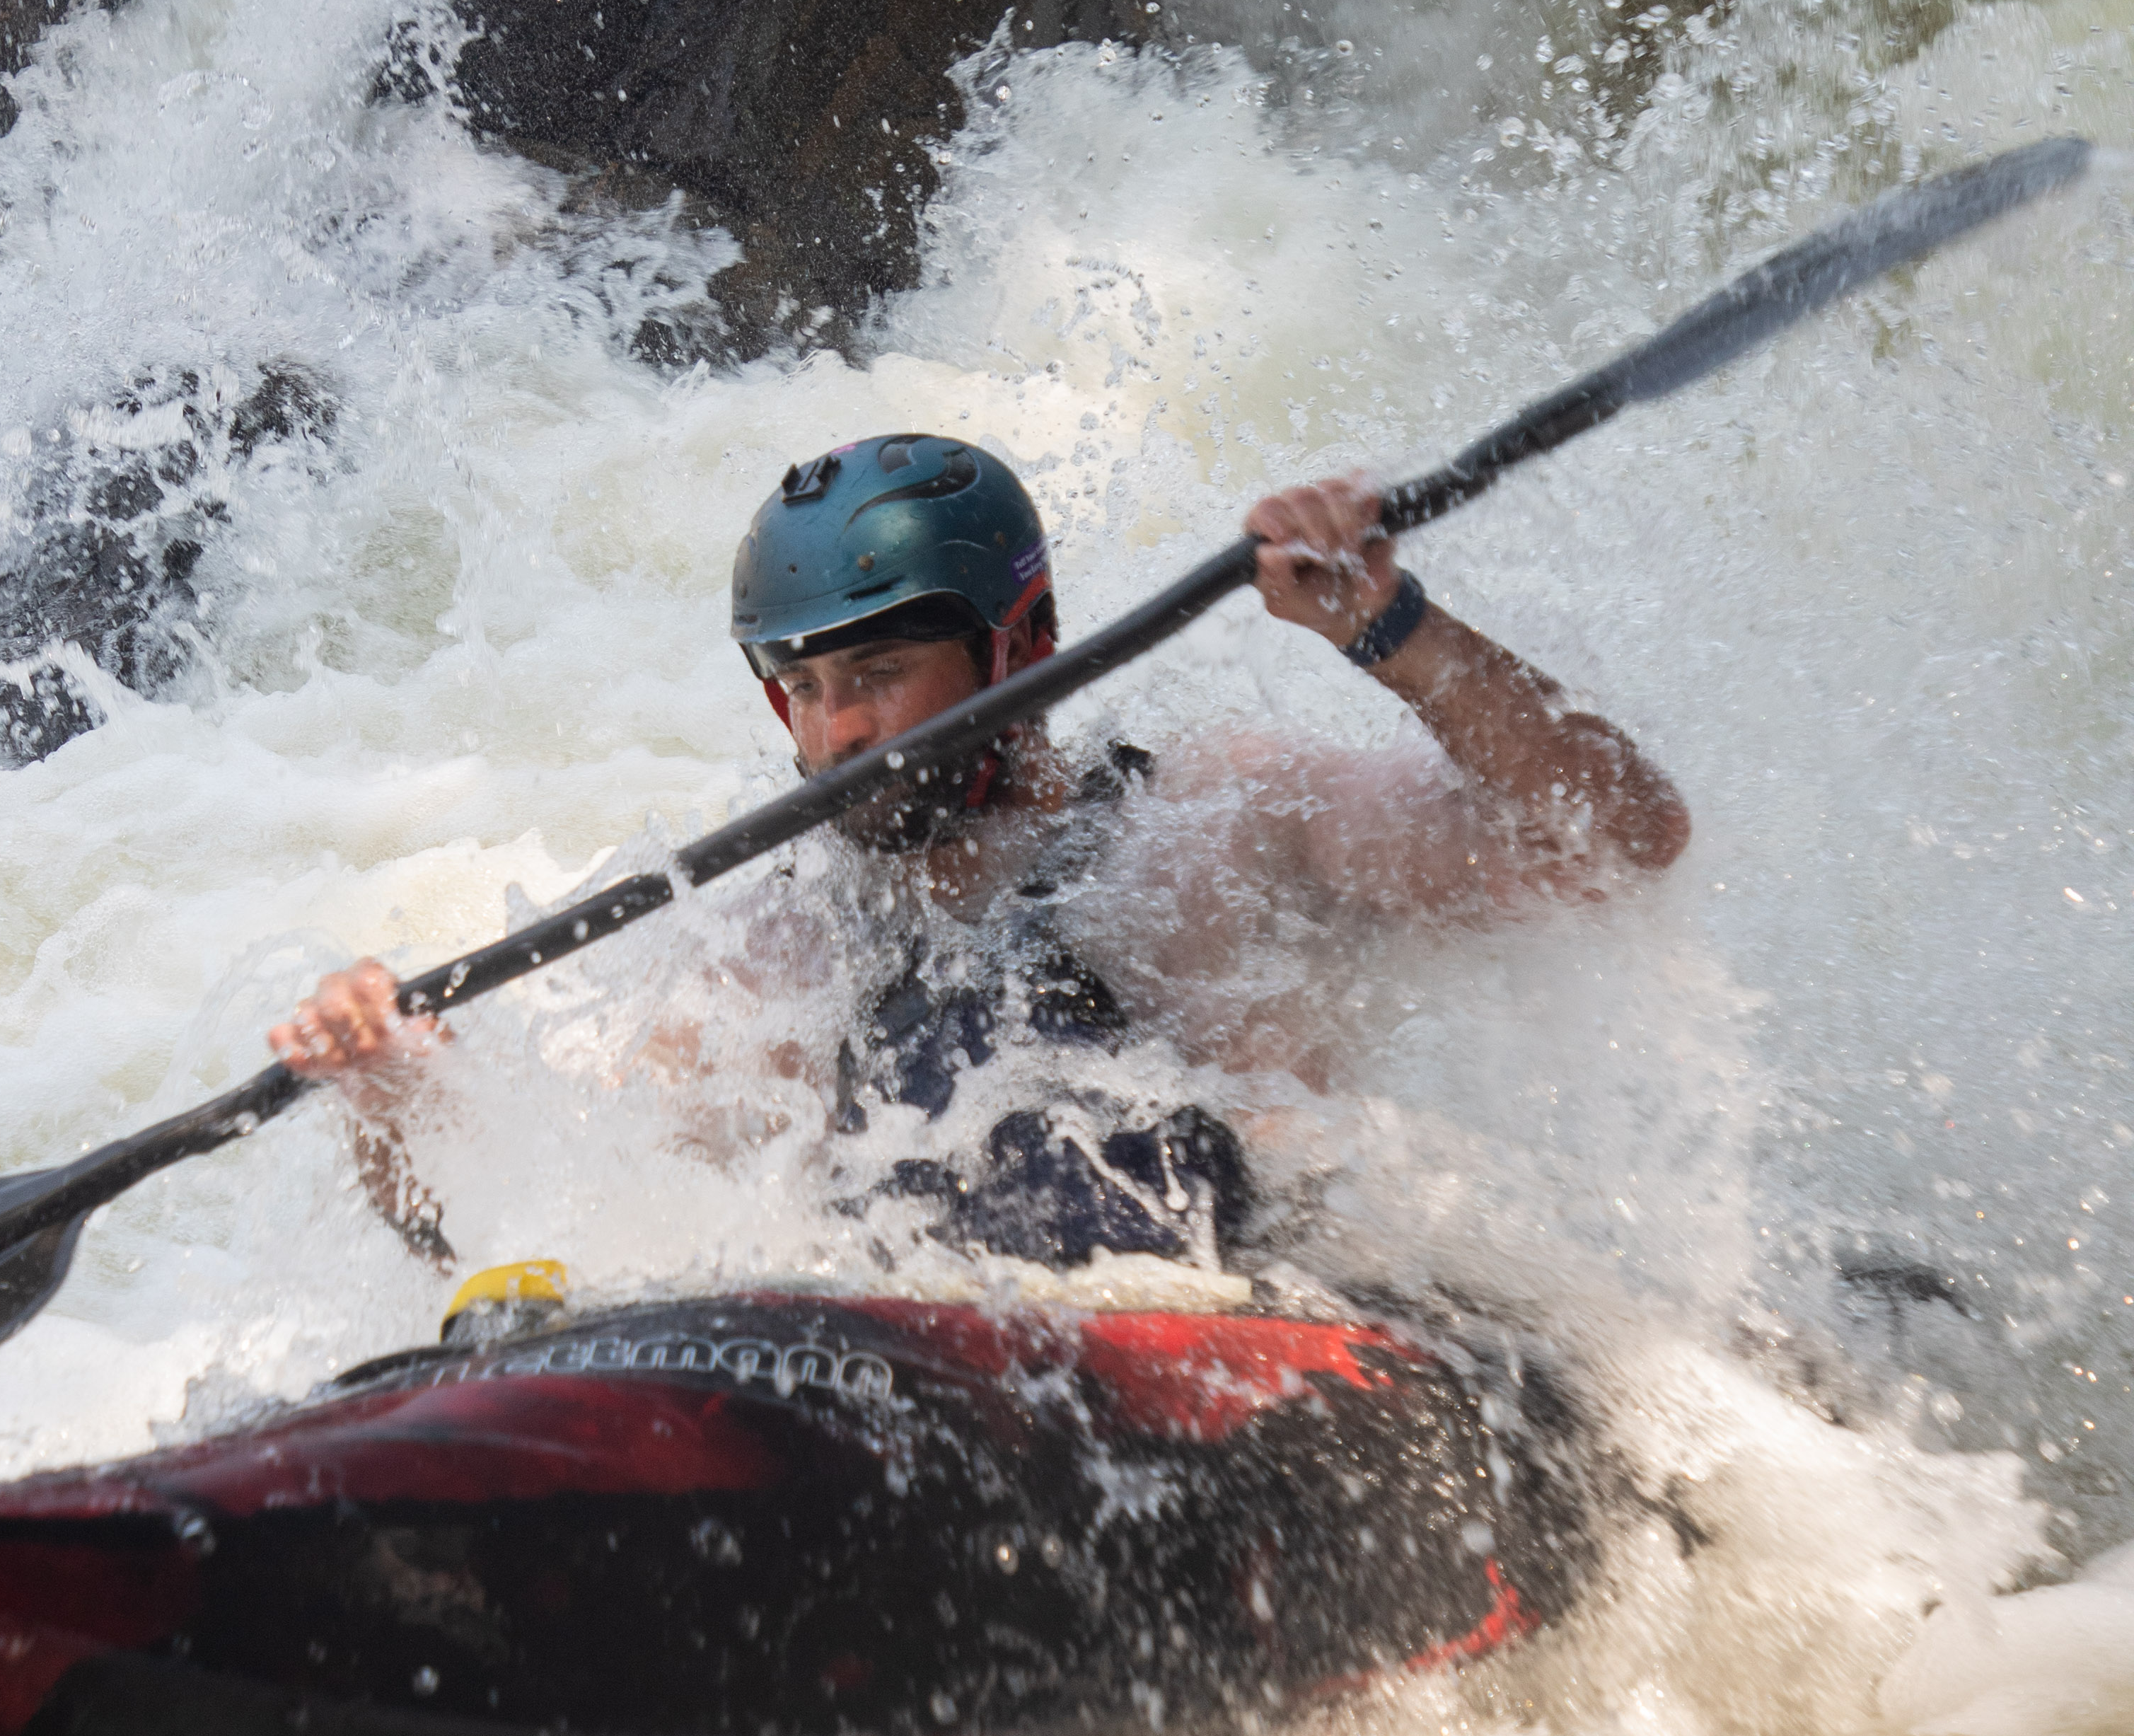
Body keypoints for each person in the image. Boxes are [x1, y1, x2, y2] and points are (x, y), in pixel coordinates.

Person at [269, 432, 1689, 1274]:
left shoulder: (1218, 823)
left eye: (879, 674)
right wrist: (393, 1093)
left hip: (1263, 1334)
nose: (834, 731)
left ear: (1022, 650)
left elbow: (1617, 843)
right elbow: (526, 1231)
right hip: (960, 1396)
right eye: (801, 688)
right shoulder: (778, 958)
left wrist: (1390, 629)